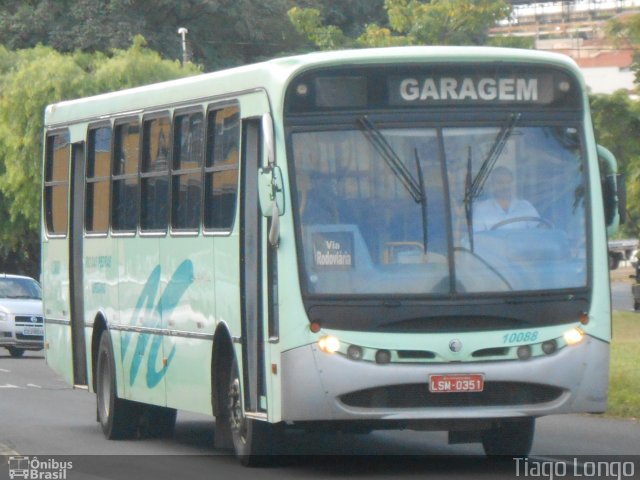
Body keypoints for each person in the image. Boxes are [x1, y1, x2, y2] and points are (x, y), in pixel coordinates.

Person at [473, 166, 540, 232]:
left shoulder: (525, 206)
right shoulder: (481, 209)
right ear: (492, 185)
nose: (505, 186)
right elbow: (478, 238)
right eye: (500, 183)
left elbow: (540, 231)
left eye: (509, 182)